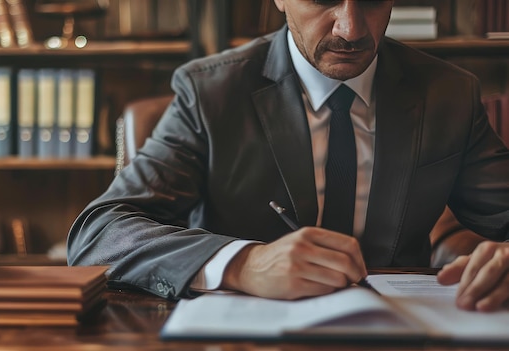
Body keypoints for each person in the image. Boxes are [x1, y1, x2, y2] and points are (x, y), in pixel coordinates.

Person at [68, 0, 509, 311]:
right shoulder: (210, 93)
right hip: (242, 335)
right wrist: (243, 264)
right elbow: (100, 233)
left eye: (372, 0)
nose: (351, 29)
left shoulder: (450, 94)